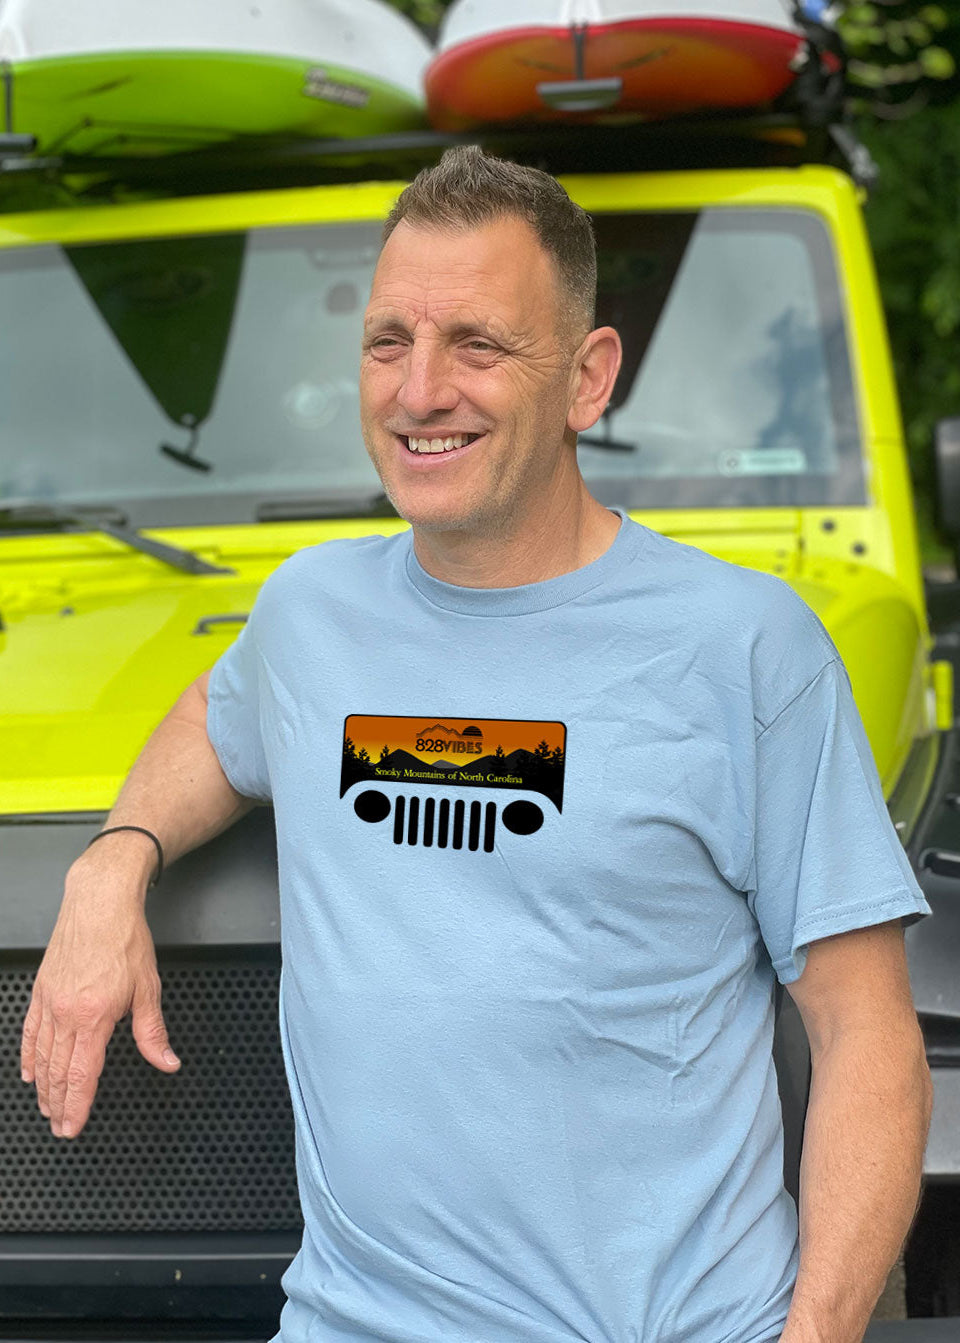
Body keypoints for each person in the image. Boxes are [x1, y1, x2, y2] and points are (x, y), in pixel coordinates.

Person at [22, 146, 932, 1343]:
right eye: (389, 341)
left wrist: (815, 1335)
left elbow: (868, 1033)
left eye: (479, 346)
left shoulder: (747, 647)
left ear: (588, 377)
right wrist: (113, 859)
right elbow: (213, 714)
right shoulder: (308, 614)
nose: (420, 389)